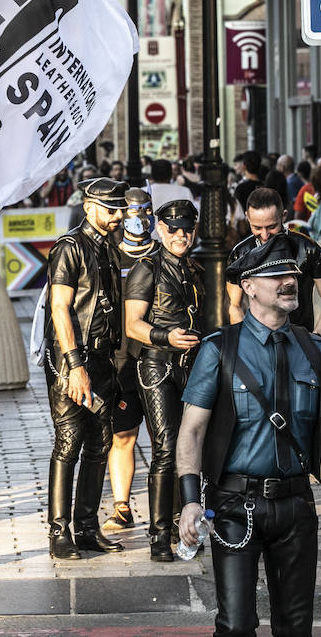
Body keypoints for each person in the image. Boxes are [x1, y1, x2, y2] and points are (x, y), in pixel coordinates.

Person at [177, 234, 321, 636]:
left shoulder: (313, 350)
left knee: (296, 628)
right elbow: (191, 431)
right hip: (233, 505)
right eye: (275, 274)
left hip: (297, 506)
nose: (289, 281)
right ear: (247, 286)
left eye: (292, 273)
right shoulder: (219, 349)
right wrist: (191, 501)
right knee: (236, 625)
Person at [43, 178, 127, 559]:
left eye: (120, 209)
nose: (119, 216)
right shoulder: (70, 247)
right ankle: (59, 532)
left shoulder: (108, 247)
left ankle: (88, 527)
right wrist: (75, 365)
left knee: (101, 442)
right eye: (111, 209)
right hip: (71, 358)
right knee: (70, 441)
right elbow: (60, 308)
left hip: (102, 357)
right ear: (90, 207)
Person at [123, 199, 202, 561]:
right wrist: (165, 338)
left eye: (187, 228)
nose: (180, 235)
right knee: (166, 447)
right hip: (155, 364)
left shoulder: (195, 270)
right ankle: (158, 535)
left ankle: (179, 524)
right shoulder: (147, 268)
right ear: (159, 227)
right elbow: (132, 325)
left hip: (191, 365)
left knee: (191, 447)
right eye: (173, 229)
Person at [104, 188, 155, 532]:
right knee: (123, 435)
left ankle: (173, 506)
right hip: (121, 358)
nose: (137, 217)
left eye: (144, 210)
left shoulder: (164, 252)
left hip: (159, 356)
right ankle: (122, 505)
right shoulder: (109, 254)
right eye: (131, 211)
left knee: (167, 436)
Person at [228, 188, 321, 338]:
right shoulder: (240, 253)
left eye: (271, 227)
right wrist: (246, 343)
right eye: (257, 227)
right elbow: (234, 305)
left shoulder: (308, 249)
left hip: (300, 336)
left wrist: (316, 338)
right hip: (256, 340)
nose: (265, 235)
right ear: (247, 217)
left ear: (284, 216)